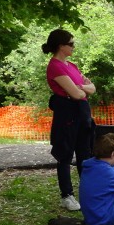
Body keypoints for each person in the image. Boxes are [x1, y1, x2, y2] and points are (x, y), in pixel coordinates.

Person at [43, 29, 96, 212]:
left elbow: (92, 88)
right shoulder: (55, 66)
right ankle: (67, 195)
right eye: (71, 44)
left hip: (82, 114)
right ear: (61, 46)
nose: (74, 47)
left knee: (85, 153)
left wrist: (81, 88)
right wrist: (82, 89)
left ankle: (88, 191)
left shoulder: (71, 65)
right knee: (65, 154)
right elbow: (76, 94)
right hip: (67, 115)